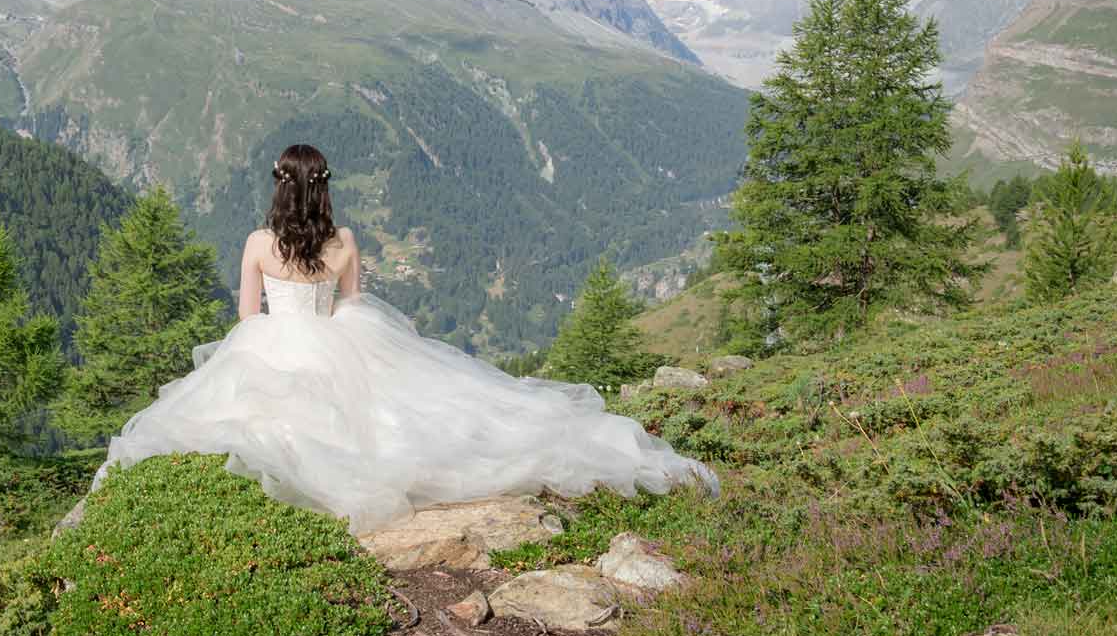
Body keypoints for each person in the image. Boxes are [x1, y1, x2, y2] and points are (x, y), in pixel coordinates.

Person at [92, 142, 717, 533]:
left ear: (281, 187)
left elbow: (248, 316)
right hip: (336, 336)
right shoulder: (343, 242)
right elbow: (352, 304)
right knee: (392, 414)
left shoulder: (258, 243)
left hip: (272, 339)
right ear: (324, 188)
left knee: (260, 419)